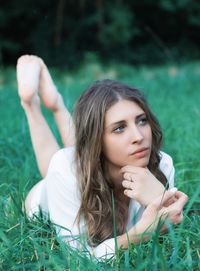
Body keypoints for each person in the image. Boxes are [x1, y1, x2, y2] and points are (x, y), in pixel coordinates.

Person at [16, 55, 188, 259]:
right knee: (63, 163)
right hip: (42, 196)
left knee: (76, 159)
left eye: (141, 121)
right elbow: (78, 259)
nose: (138, 137)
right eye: (119, 128)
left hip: (88, 162)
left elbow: (176, 232)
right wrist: (139, 235)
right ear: (97, 138)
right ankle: (30, 103)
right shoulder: (64, 172)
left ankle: (57, 105)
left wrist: (160, 198)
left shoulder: (162, 163)